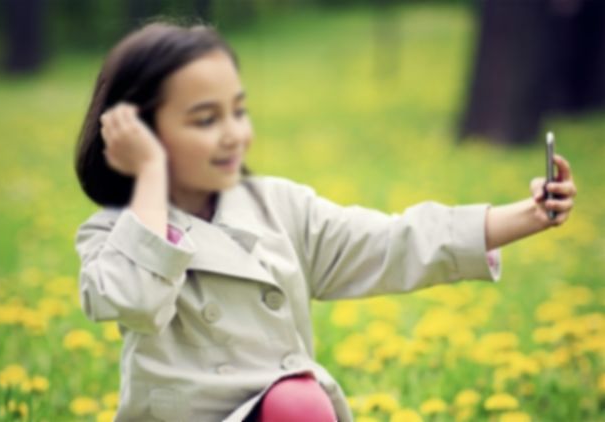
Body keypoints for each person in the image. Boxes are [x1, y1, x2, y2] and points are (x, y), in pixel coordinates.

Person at [73, 21, 577, 422]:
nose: (233, 135)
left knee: (298, 401)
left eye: (238, 112)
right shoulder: (111, 235)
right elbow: (135, 301)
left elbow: (393, 241)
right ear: (136, 134)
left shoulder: (276, 207)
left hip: (282, 414)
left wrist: (527, 214)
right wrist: (151, 181)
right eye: (206, 119)